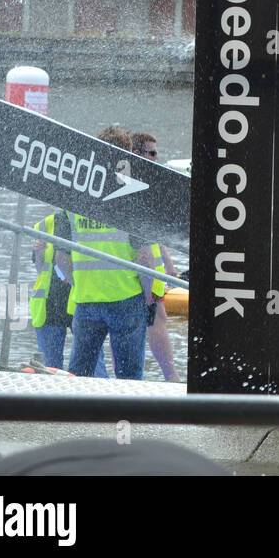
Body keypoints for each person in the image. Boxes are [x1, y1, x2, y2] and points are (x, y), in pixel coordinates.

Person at [65, 126, 166, 381]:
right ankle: (126, 420)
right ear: (126, 156)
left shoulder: (75, 195)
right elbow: (145, 257)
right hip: (126, 298)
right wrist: (147, 296)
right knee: (129, 379)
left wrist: (82, 285)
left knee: (80, 376)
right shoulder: (133, 197)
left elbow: (61, 257)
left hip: (86, 299)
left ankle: (76, 419)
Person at [30, 212, 108, 377]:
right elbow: (39, 269)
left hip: (78, 302)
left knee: (93, 365)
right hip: (49, 303)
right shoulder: (46, 224)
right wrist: (39, 252)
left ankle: (97, 398)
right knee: (50, 368)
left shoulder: (88, 222)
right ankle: (53, 401)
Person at [131, 130, 180, 381]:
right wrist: (150, 278)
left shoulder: (150, 185)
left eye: (156, 152)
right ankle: (171, 378)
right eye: (151, 153)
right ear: (136, 153)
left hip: (153, 268)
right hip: (142, 269)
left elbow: (157, 234)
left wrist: (169, 266)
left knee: (152, 321)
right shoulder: (132, 185)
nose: (156, 158)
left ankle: (168, 377)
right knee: (155, 321)